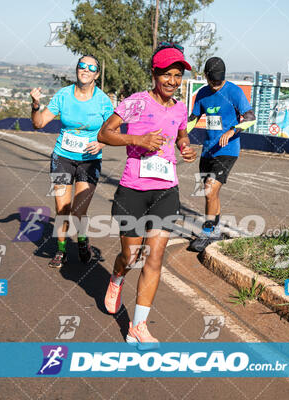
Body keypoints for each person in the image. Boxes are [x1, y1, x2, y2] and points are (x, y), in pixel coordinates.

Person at [97, 43, 197, 350]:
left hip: (166, 190)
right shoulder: (136, 103)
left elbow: (181, 134)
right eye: (166, 74)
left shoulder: (181, 108)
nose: (172, 81)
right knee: (132, 257)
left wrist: (185, 148)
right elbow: (104, 134)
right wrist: (138, 139)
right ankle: (117, 278)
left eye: (177, 75)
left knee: (154, 258)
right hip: (133, 191)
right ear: (154, 75)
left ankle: (137, 326)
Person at [30, 55, 114, 268]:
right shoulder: (64, 95)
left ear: (96, 74)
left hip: (89, 160)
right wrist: (35, 105)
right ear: (77, 70)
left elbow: (114, 130)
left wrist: (101, 144)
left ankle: (83, 241)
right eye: (82, 66)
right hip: (63, 157)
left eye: (90, 68)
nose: (85, 70)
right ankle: (61, 250)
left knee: (79, 210)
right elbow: (39, 123)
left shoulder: (103, 100)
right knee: (62, 207)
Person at [186, 57, 256, 252]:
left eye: (219, 81)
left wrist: (233, 130)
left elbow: (250, 117)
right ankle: (214, 230)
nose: (216, 85)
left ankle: (208, 231)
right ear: (206, 77)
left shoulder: (234, 91)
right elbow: (193, 118)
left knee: (210, 189)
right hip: (208, 150)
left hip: (228, 150)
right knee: (211, 194)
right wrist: (181, 134)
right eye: (213, 81)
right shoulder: (201, 94)